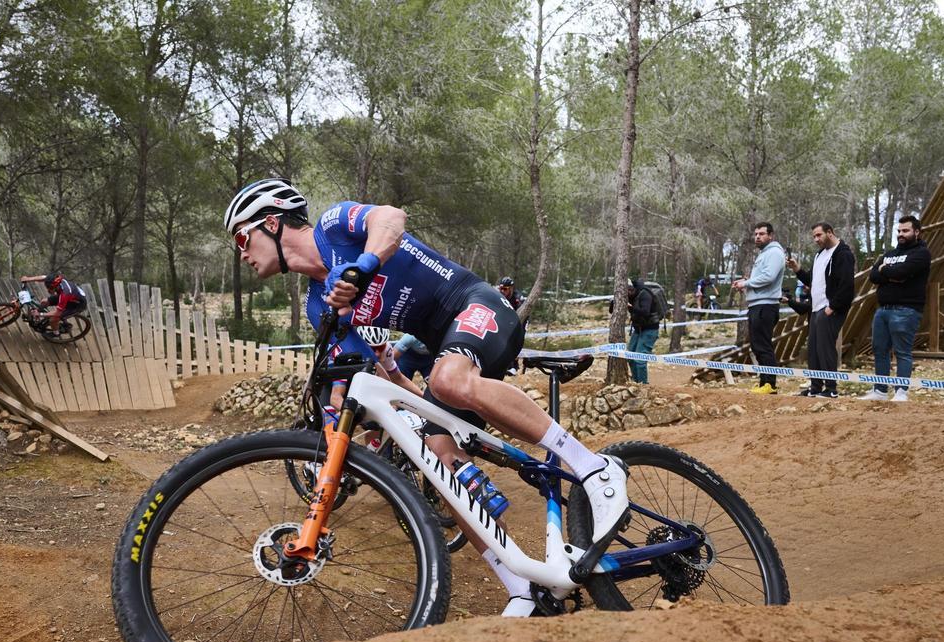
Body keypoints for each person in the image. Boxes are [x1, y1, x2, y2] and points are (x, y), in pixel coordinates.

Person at [225, 177, 628, 617]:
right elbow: (368, 374)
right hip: (443, 349)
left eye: (242, 237)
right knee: (438, 467)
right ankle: (521, 588)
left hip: (476, 305)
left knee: (449, 378)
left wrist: (363, 265)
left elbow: (392, 220)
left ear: (272, 223)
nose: (241, 252)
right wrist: (338, 414)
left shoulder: (334, 224)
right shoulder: (320, 305)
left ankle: (593, 467)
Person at [858, 215, 930, 402]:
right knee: (879, 349)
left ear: (916, 232)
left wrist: (886, 271)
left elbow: (902, 272)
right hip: (883, 310)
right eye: (899, 231)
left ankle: (901, 392)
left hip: (906, 310)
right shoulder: (890, 254)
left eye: (905, 231)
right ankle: (880, 390)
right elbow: (873, 276)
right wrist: (888, 273)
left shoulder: (921, 253)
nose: (901, 234)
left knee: (902, 351)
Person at [786, 222, 855, 398]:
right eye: (814, 236)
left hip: (829, 308)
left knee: (826, 349)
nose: (816, 239)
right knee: (814, 350)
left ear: (830, 233)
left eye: (819, 235)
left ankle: (831, 389)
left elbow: (847, 286)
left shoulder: (843, 254)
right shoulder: (820, 255)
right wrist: (797, 269)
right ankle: (815, 387)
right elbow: (812, 280)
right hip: (815, 309)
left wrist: (832, 307)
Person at [732, 222, 784, 394]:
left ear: (771, 235)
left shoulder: (775, 252)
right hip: (757, 304)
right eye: (756, 234)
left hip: (766, 305)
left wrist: (746, 283)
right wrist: (746, 283)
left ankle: (770, 385)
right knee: (757, 346)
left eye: (761, 234)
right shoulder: (764, 254)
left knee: (763, 346)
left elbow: (769, 277)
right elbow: (763, 277)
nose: (758, 237)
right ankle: (764, 383)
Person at [611, 278, 662, 384]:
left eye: (628, 291)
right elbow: (611, 310)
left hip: (650, 330)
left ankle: (643, 385)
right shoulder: (629, 296)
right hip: (638, 329)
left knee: (640, 359)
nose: (628, 294)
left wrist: (631, 307)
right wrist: (615, 299)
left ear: (632, 289)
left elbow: (645, 312)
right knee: (630, 356)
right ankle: (636, 381)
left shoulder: (645, 294)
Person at [19, 271, 87, 333]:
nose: (48, 290)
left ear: (55, 286)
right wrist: (28, 279)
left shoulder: (65, 294)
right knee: (44, 302)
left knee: (53, 319)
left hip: (77, 305)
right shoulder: (56, 280)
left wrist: (41, 314)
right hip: (71, 297)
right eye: (47, 287)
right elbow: (43, 277)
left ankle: (56, 333)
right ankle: (38, 317)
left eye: (50, 288)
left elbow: (57, 313)